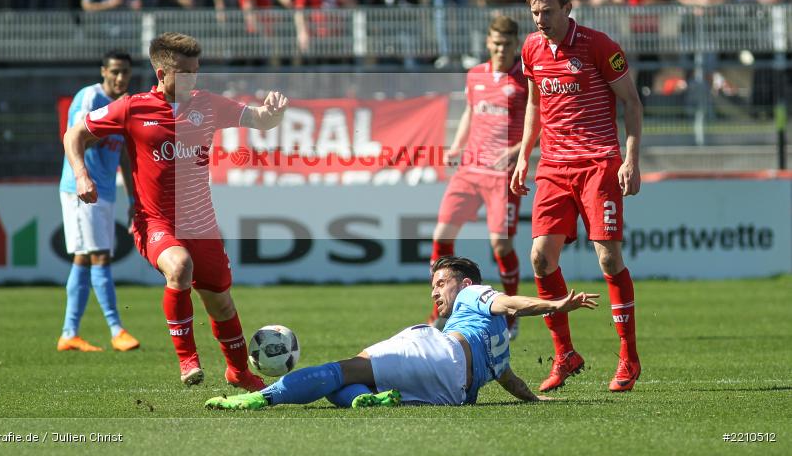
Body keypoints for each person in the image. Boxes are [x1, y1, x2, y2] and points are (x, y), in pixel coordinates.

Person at [63, 32, 289, 390]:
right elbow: (74, 134)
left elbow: (259, 120)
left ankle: (238, 371)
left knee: (222, 305)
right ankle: (188, 360)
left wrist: (273, 112)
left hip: (202, 225)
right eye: (184, 72)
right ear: (161, 73)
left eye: (196, 71)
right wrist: (81, 175)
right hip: (155, 221)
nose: (192, 79)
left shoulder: (208, 104)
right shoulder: (132, 107)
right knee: (179, 266)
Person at [204, 256, 599, 410]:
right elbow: (509, 379)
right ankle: (369, 402)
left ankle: (260, 398)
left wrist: (555, 305)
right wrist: (534, 401)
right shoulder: (497, 348)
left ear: (463, 284)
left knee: (342, 370)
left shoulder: (475, 292)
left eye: (442, 282)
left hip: (439, 352)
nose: (435, 290)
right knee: (350, 384)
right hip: (451, 395)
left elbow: (509, 303)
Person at [510, 0, 643, 393]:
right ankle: (565, 353)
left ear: (567, 8)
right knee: (540, 258)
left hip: (598, 163)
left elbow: (632, 103)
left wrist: (630, 160)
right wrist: (522, 155)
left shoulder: (598, 46)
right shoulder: (531, 47)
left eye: (547, 11)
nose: (539, 19)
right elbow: (535, 104)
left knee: (607, 258)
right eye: (534, 12)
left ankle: (628, 357)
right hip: (552, 166)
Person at [429, 16, 529, 340]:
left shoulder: (526, 79)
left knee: (501, 244)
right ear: (488, 43)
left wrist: (516, 149)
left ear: (516, 45)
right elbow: (471, 112)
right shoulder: (476, 75)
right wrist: (456, 146)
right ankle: (440, 311)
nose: (501, 50)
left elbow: (539, 122)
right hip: (470, 169)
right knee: (441, 236)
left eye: (507, 45)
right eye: (496, 44)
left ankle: (511, 313)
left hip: (502, 175)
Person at [57, 51, 140, 353]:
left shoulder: (125, 105)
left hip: (104, 190)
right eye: (115, 71)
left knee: (83, 257)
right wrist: (111, 120)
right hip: (82, 189)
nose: (120, 78)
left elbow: (126, 154)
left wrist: (133, 199)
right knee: (101, 256)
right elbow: (75, 137)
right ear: (103, 71)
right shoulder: (90, 98)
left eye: (125, 73)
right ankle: (117, 330)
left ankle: (69, 334)